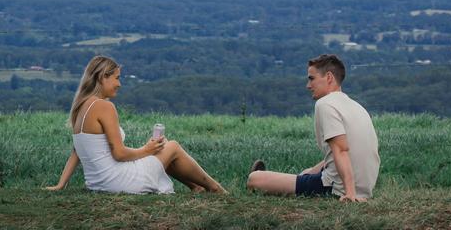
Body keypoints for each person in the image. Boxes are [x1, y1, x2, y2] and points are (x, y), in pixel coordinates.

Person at [45, 55, 227, 194]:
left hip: (97, 184)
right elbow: (119, 154)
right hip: (118, 181)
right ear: (102, 78)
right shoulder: (104, 106)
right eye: (116, 78)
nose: (119, 84)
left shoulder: (81, 107)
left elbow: (77, 152)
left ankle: (196, 187)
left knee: (160, 151)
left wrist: (61, 185)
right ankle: (216, 189)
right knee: (172, 146)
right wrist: (147, 149)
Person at [246, 53, 379, 202]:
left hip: (335, 187)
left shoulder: (325, 104)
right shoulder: (357, 107)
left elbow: (341, 149)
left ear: (329, 77)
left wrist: (350, 194)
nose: (308, 86)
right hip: (365, 188)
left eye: (311, 79)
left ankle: (269, 180)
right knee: (308, 172)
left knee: (254, 179)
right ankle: (300, 177)